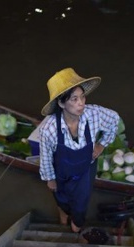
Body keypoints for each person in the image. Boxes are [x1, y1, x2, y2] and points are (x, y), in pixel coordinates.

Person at [36, 67, 120, 233]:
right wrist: (49, 178)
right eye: (74, 99)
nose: (81, 103)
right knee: (60, 197)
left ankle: (76, 226)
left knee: (81, 202)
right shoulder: (49, 129)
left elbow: (114, 119)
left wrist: (102, 144)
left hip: (84, 169)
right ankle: (63, 213)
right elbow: (45, 157)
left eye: (82, 97)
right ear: (61, 103)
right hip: (61, 171)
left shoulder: (93, 114)